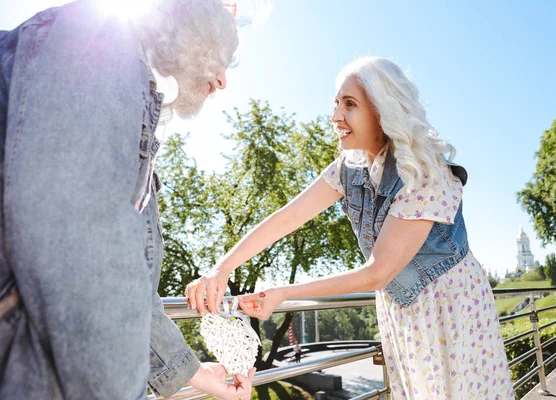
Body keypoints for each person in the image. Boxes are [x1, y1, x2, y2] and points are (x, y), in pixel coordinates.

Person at [185, 57, 515, 399]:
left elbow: (378, 273)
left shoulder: (427, 174)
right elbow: (288, 216)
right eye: (336, 103)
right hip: (402, 312)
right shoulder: (351, 167)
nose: (335, 117)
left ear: (382, 111)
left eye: (350, 104)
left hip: (451, 308)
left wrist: (283, 294)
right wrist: (222, 268)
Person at [0, 1, 255, 399]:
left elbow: (122, 269)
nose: (223, 80)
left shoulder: (125, 77)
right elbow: (80, 253)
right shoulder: (101, 46)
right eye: (228, 54)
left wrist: (191, 371)